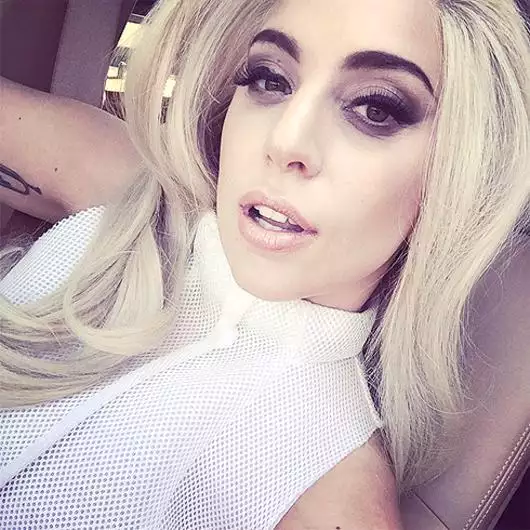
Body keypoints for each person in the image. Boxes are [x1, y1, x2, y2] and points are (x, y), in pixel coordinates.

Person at [0, 0, 528, 528]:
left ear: (456, 172)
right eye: (269, 80)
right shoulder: (135, 189)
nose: (284, 142)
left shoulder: (331, 502)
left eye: (376, 109)